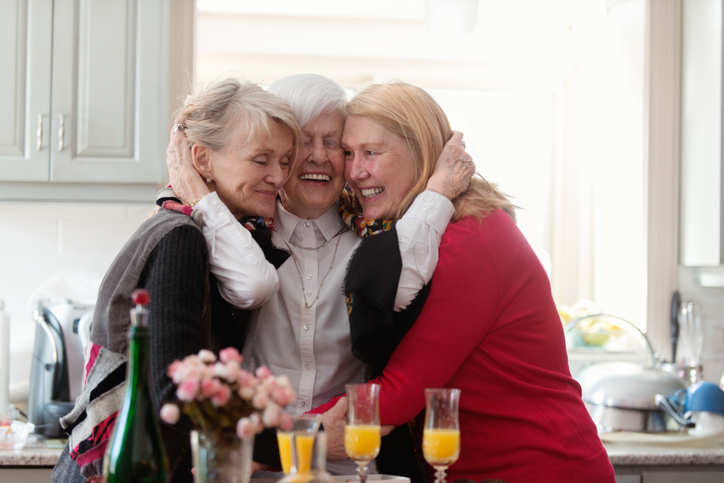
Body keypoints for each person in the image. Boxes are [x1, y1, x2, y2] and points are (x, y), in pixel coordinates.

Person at [166, 73, 475, 477]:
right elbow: (246, 287)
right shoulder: (236, 235)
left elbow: (398, 292)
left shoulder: (378, 236)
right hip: (255, 468)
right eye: (301, 142)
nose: (317, 156)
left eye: (333, 143)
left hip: (354, 470)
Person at [318, 82, 617, 483]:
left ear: (422, 151)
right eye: (350, 154)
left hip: (543, 468)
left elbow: (399, 395)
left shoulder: (471, 238)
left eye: (372, 152)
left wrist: (268, 438)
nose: (355, 172)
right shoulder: (410, 234)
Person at [52, 78, 301, 483]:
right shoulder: (182, 239)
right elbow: (175, 392)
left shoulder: (196, 229)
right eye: (261, 160)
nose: (278, 176)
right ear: (202, 159)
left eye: (285, 161)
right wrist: (298, 442)